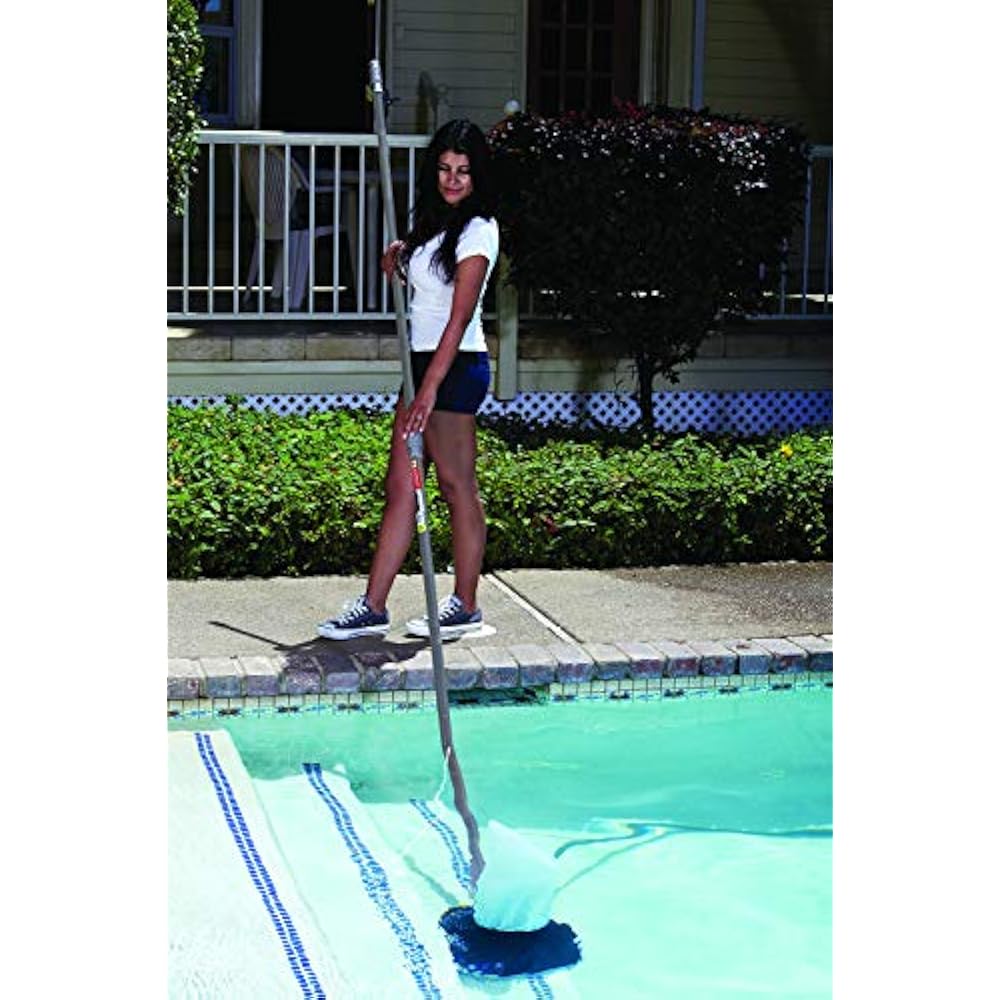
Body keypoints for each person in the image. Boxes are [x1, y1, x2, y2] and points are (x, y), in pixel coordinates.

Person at [317, 119, 499, 640]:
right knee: (401, 486)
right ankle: (373, 606)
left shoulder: (480, 229)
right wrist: (400, 256)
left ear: (478, 175)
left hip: (454, 369)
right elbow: (424, 286)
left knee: (455, 486)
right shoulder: (436, 223)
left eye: (463, 170)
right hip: (420, 365)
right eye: (444, 168)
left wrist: (430, 390)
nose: (452, 179)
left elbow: (457, 319)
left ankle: (465, 605)